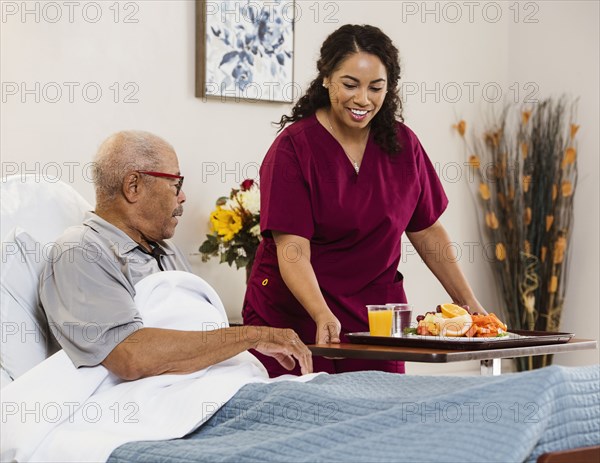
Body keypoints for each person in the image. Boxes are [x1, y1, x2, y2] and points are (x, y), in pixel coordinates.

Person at [242, 24, 487, 377]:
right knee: (301, 419)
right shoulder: (293, 148)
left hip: (375, 315)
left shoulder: (403, 145)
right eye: (350, 84)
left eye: (376, 87)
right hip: (297, 313)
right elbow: (292, 248)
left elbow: (428, 230)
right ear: (326, 79)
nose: (363, 100)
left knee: (384, 418)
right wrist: (321, 313)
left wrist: (469, 304)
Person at [39, 130, 312, 380]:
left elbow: (196, 330)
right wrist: (251, 335)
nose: (182, 197)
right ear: (133, 186)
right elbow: (130, 357)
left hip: (221, 384)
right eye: (175, 184)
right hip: (164, 402)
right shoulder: (81, 251)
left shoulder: (166, 252)